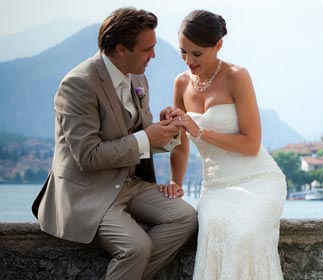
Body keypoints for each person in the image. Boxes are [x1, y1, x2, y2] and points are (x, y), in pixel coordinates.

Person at [31, 7, 198, 280]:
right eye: (147, 49)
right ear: (121, 49)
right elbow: (88, 156)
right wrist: (146, 137)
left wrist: (168, 128)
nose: (153, 56)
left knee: (185, 217)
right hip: (87, 191)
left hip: (129, 183)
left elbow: (139, 135)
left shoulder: (138, 77)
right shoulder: (78, 84)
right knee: (136, 246)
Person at [168, 10, 287, 279]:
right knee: (216, 229)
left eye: (196, 54)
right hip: (216, 188)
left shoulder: (237, 76)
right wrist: (176, 181)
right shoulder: (181, 83)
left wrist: (200, 131)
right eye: (183, 53)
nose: (189, 61)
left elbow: (252, 144)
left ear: (218, 45)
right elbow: (180, 142)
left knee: (245, 233)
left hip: (259, 179)